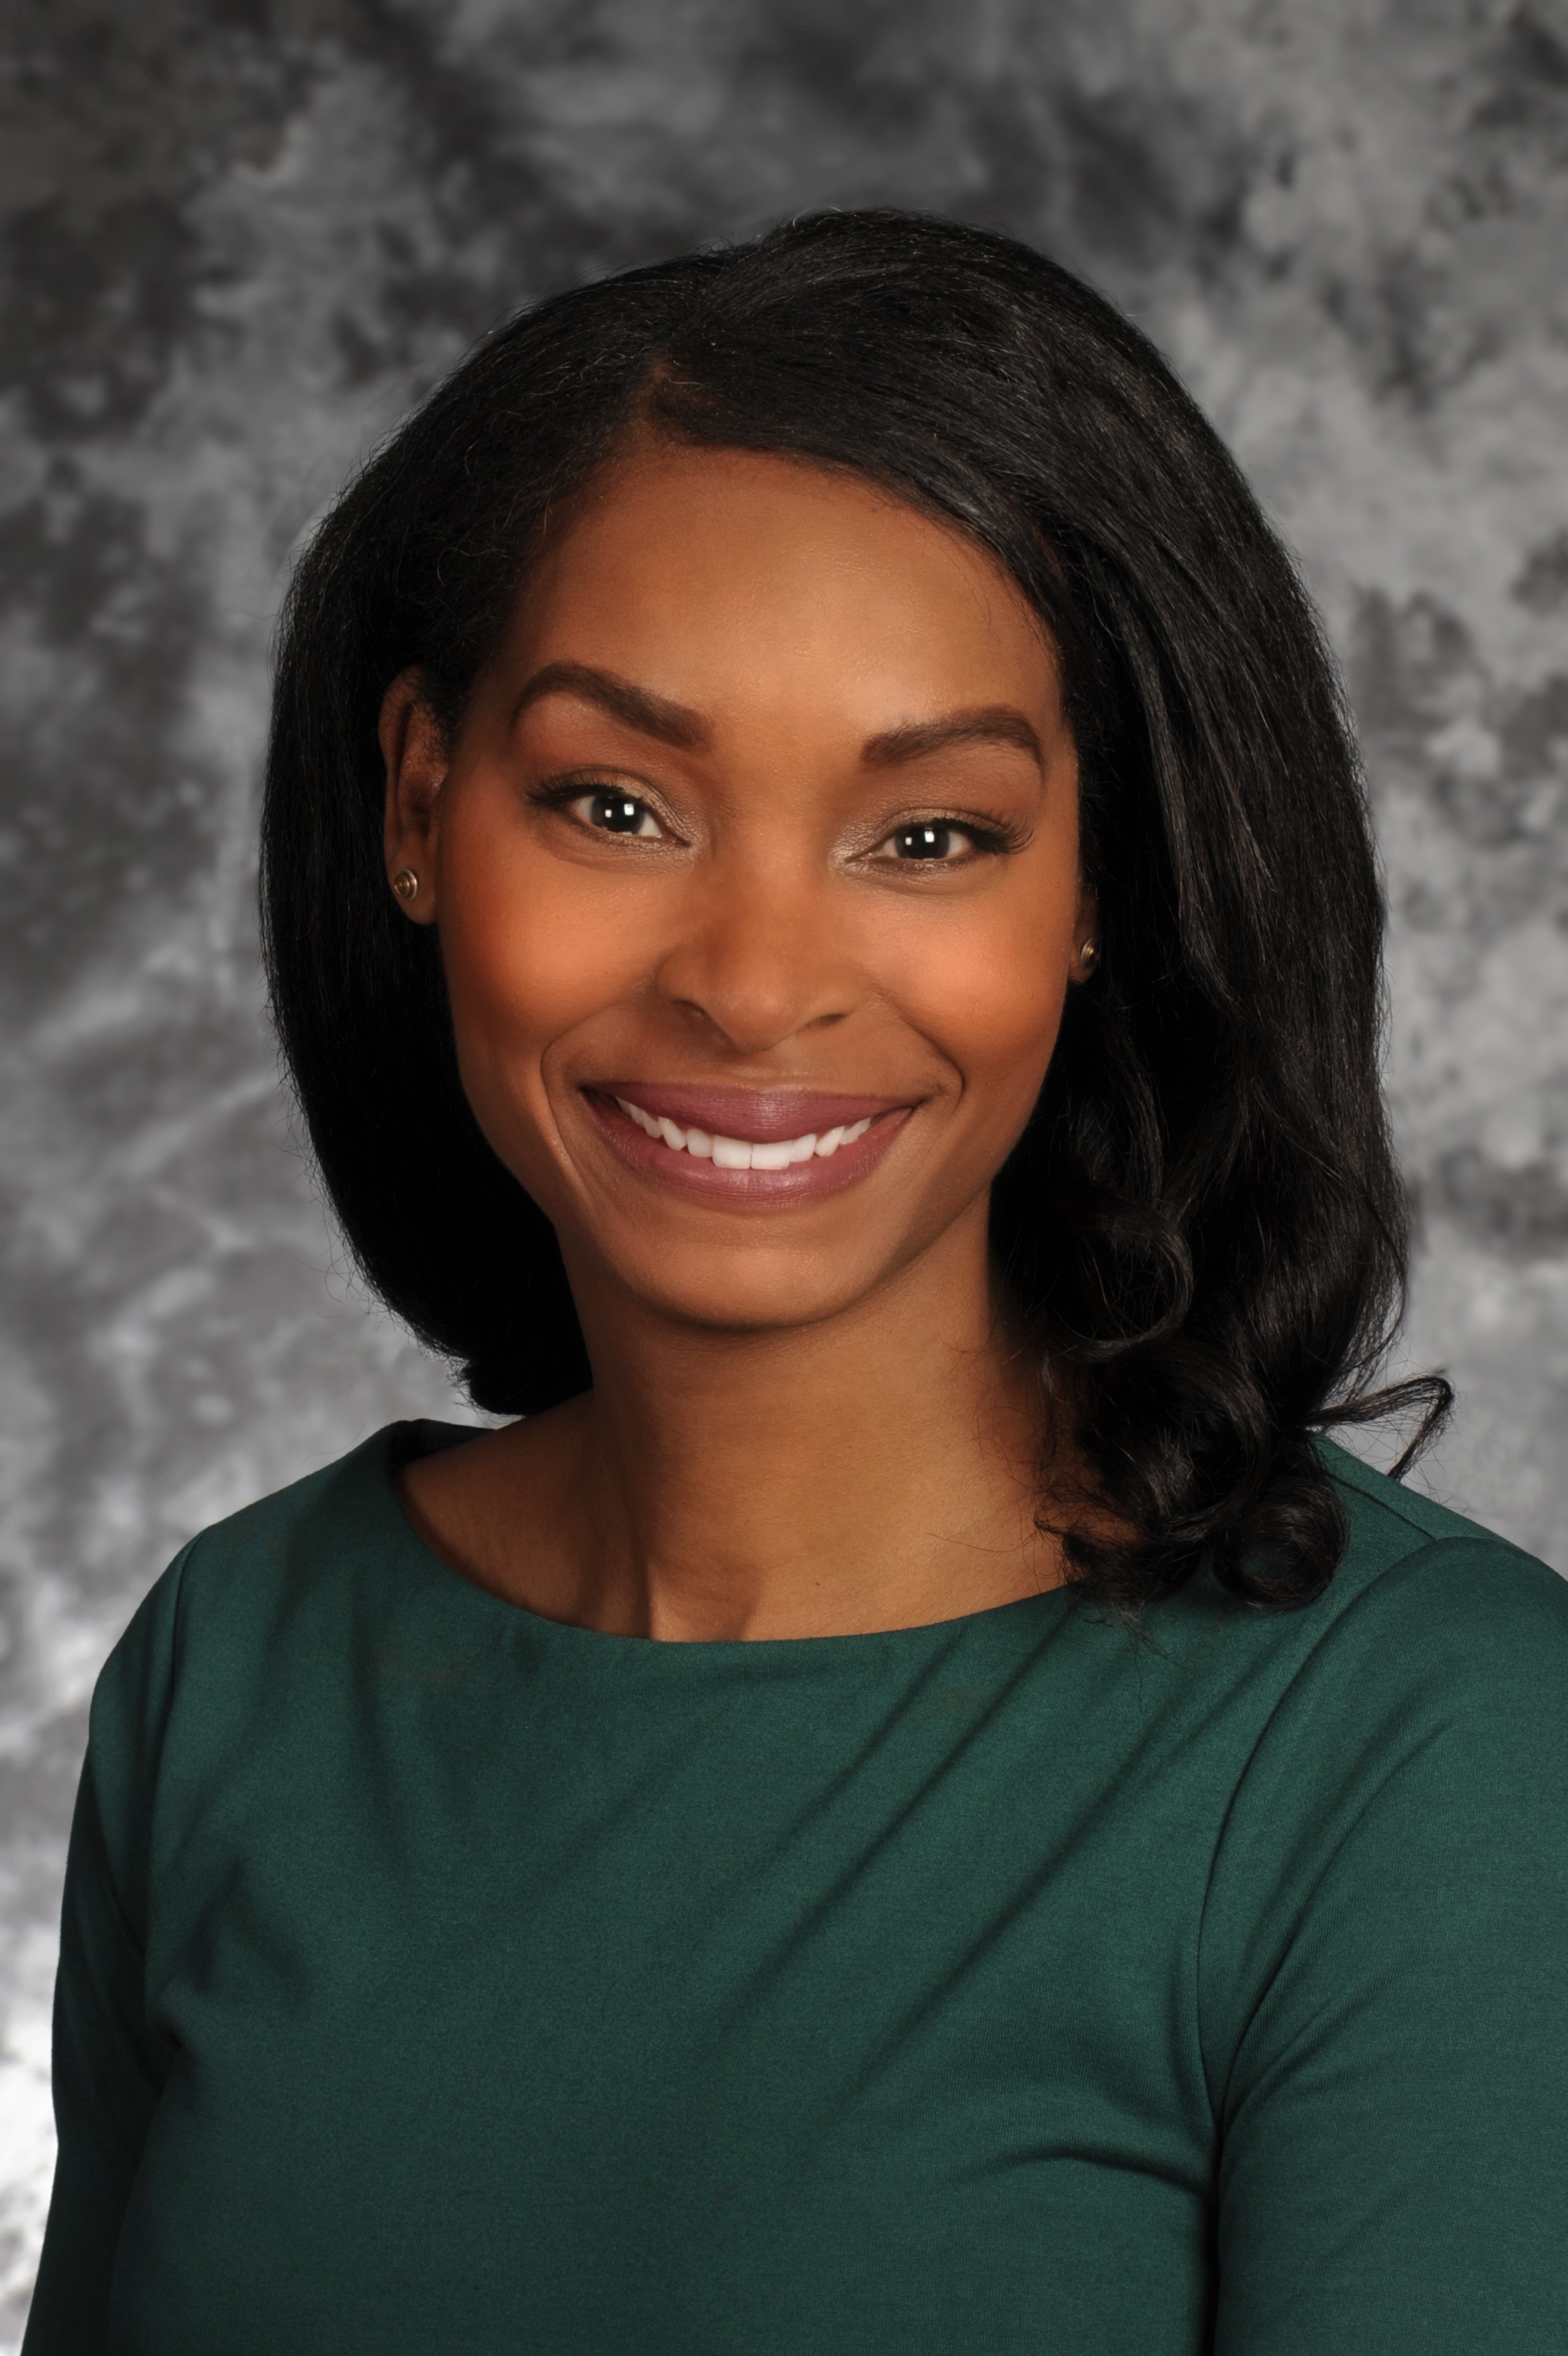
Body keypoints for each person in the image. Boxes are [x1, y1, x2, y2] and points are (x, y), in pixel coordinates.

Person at [24, 209, 1567, 2355]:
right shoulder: (243, 1666)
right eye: (616, 804)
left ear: (1098, 887)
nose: (752, 988)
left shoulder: (1431, 1756)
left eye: (926, 834)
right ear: (414, 803)